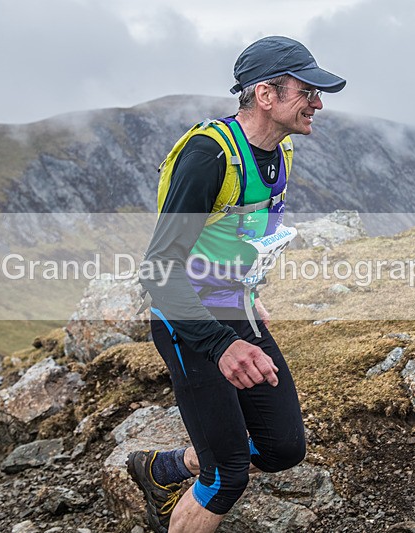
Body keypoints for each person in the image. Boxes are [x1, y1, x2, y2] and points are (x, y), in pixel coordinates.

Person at [128, 36, 345, 532]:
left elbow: (237, 235)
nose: (318, 102)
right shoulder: (209, 156)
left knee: (283, 448)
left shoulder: (279, 149)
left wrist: (248, 292)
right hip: (189, 323)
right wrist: (222, 344)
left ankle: (164, 468)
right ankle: (201, 474)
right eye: (307, 91)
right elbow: (159, 269)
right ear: (266, 95)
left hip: (237, 308)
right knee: (226, 475)